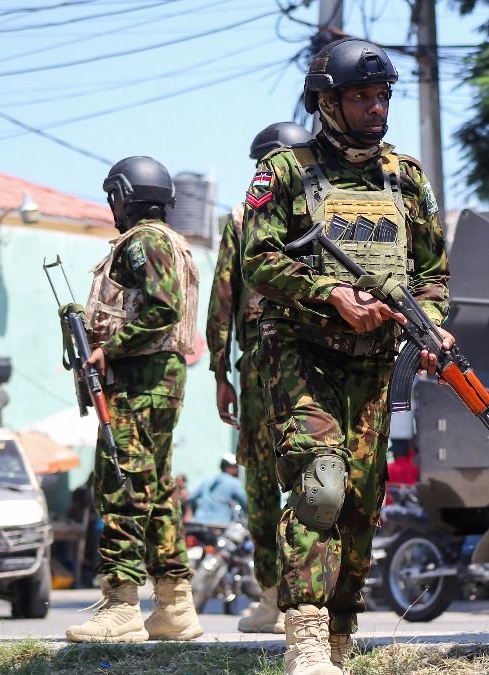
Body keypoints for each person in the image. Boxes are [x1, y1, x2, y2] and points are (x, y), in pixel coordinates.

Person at [241, 38, 451, 675]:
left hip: (376, 362)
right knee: (320, 488)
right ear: (326, 103)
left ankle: (339, 633)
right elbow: (258, 258)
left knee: (362, 499)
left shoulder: (405, 178)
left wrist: (432, 330)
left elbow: (433, 273)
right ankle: (303, 636)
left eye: (381, 95)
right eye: (360, 96)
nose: (375, 108)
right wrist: (329, 293)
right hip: (301, 355)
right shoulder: (281, 171)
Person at [64, 156, 203, 643]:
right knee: (156, 488)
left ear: (125, 195)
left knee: (121, 482)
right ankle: (174, 606)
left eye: (113, 198)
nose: (112, 208)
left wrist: (108, 349)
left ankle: (121, 603)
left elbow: (162, 309)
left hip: (141, 380)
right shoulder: (173, 243)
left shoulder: (144, 241)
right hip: (158, 378)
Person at [206, 120, 313, 634]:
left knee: (268, 483)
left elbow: (222, 298)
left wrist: (218, 371)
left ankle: (276, 600)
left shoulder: (246, 214)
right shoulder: (330, 210)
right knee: (312, 474)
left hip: (263, 365)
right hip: (316, 365)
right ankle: (306, 602)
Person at [189, 454, 248, 526]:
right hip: (220, 525)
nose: (238, 470)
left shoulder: (207, 481)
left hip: (199, 523)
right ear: (230, 467)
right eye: (236, 467)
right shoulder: (233, 483)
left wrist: (189, 514)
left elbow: (190, 498)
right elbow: (246, 503)